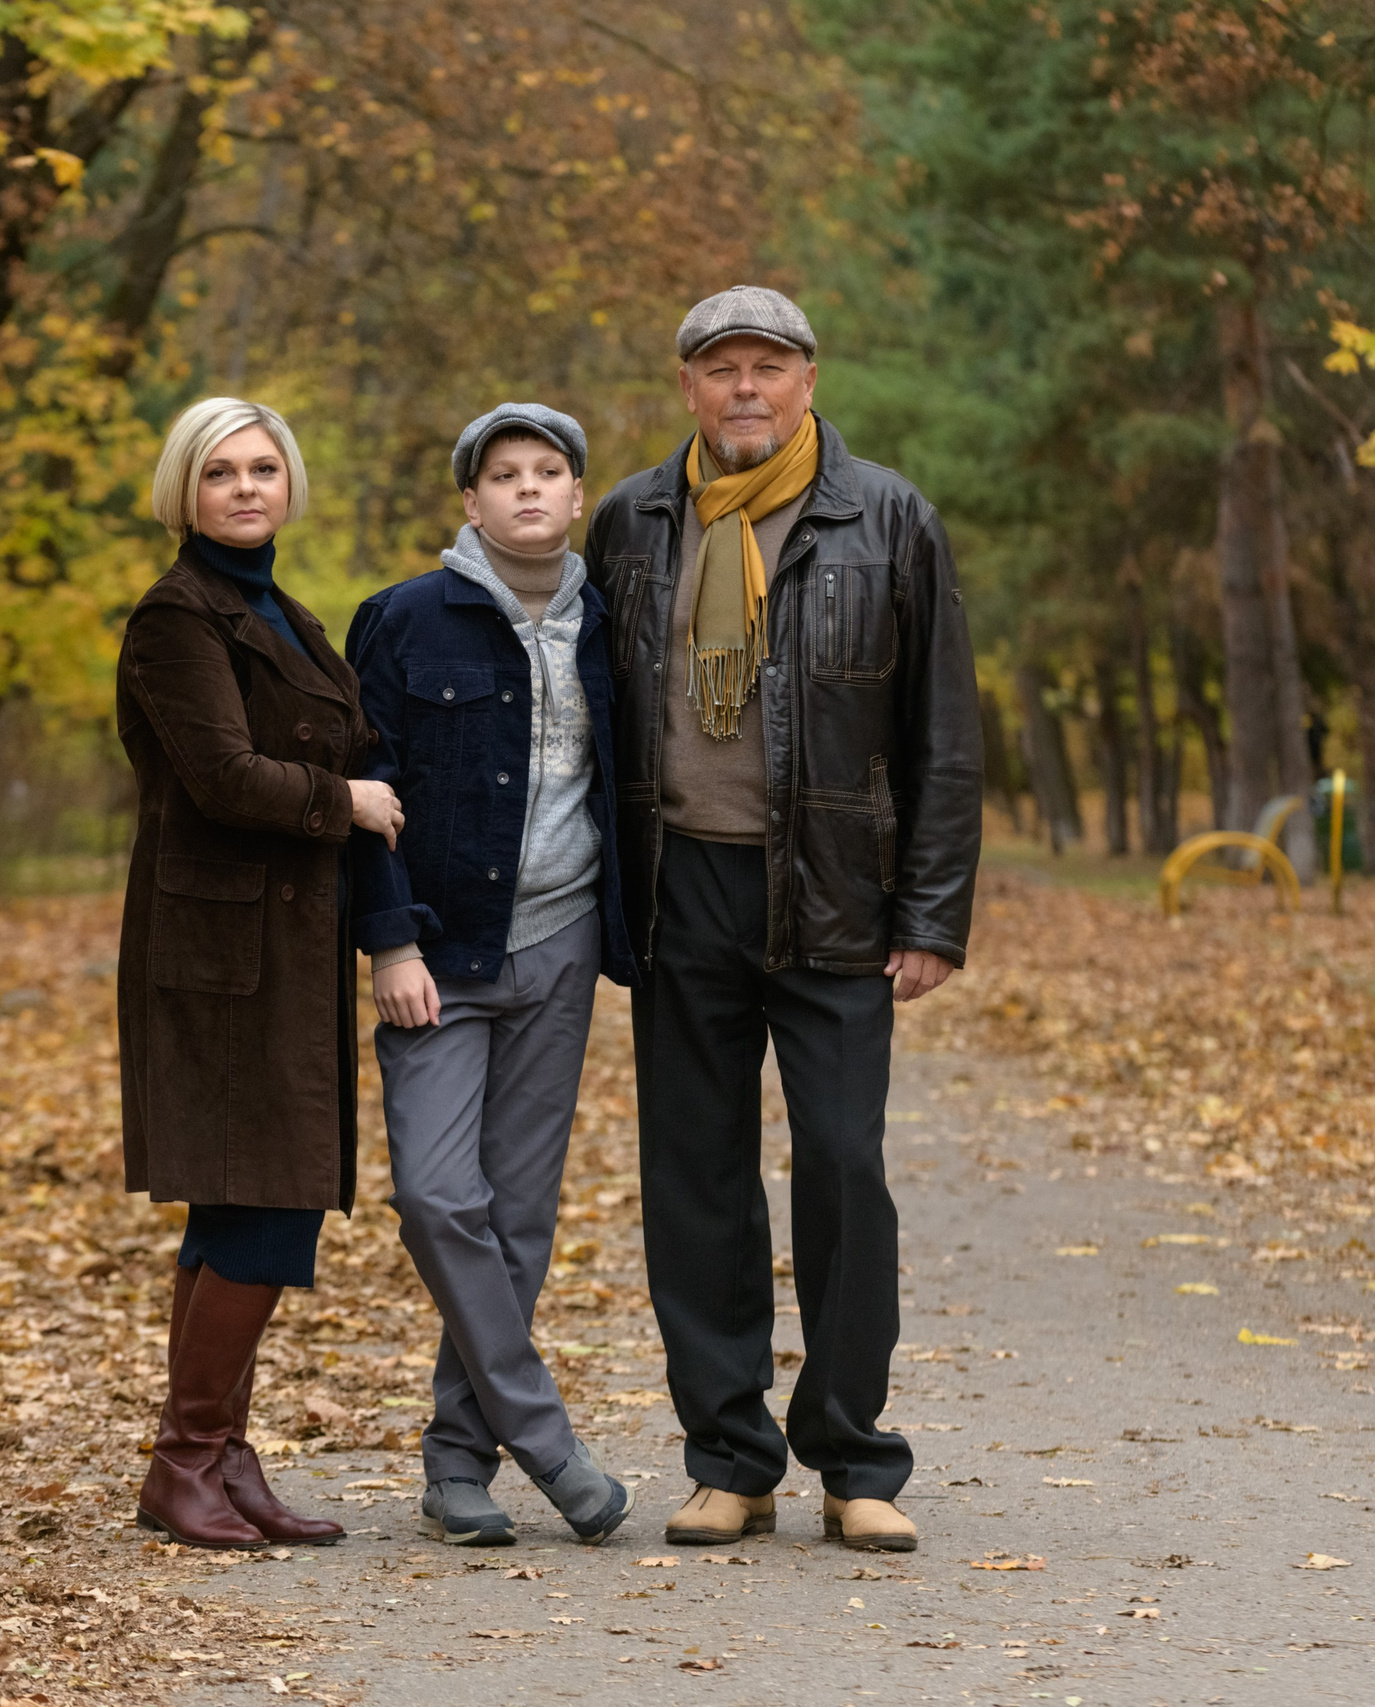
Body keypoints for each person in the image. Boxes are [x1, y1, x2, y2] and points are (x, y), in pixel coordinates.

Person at [583, 286, 983, 1554]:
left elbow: (942, 733)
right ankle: (729, 1460)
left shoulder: (888, 518)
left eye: (767, 366)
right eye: (721, 369)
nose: (744, 388)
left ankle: (855, 1461)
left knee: (845, 1169)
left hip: (835, 897)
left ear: (810, 379)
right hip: (680, 889)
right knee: (695, 1177)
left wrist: (931, 914)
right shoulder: (633, 522)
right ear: (687, 387)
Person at [346, 404, 639, 1548]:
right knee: (435, 1195)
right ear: (470, 502)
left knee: (519, 1215)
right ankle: (545, 1439)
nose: (526, 489)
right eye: (503, 474)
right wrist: (389, 942)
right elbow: (363, 788)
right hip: (439, 949)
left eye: (546, 471)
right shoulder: (405, 619)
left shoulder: (611, 627)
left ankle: (457, 1465)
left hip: (560, 945)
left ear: (575, 497)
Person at [116, 396, 404, 1550]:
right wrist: (345, 802)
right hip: (220, 959)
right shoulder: (176, 616)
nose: (245, 488)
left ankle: (220, 1458)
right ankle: (183, 1461)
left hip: (284, 948)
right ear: (184, 492)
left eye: (262, 469)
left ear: (289, 484)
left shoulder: (282, 612)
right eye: (220, 472)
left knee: (243, 1201)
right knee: (263, 1200)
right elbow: (223, 776)